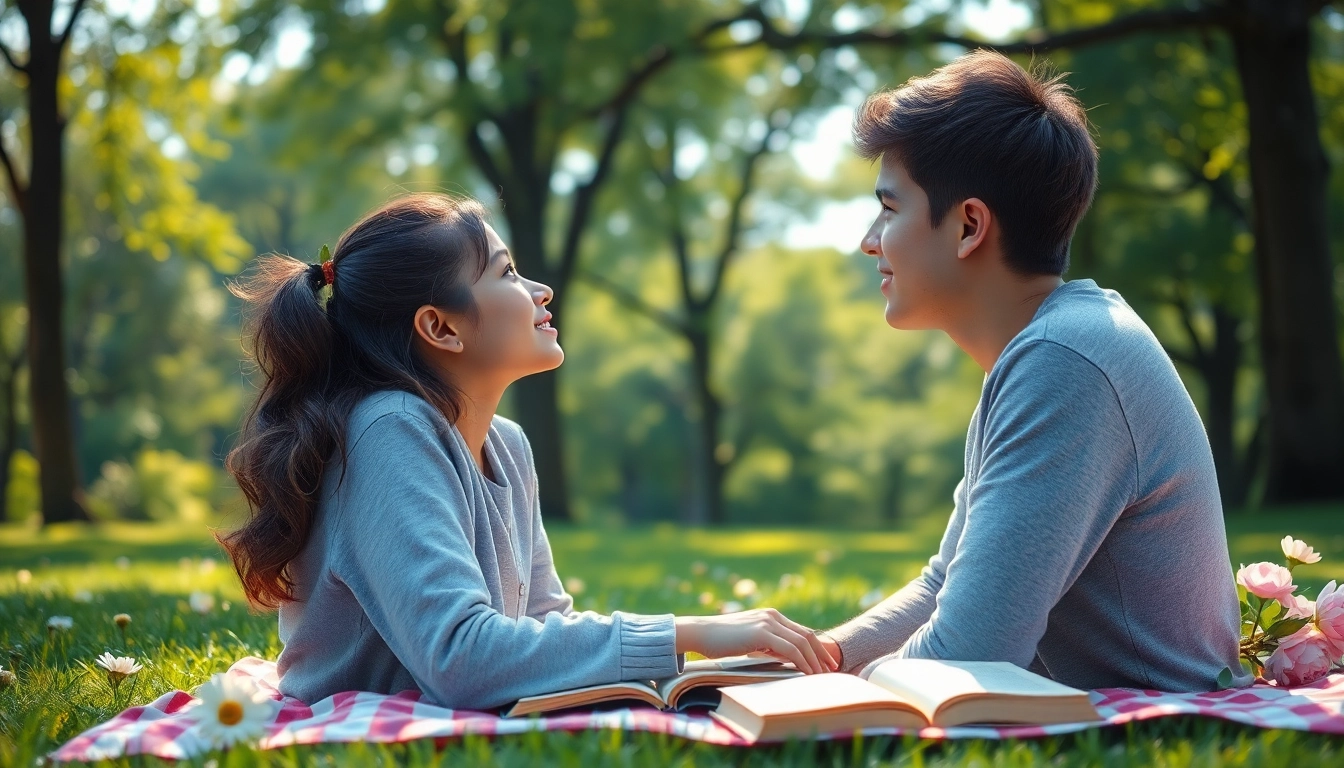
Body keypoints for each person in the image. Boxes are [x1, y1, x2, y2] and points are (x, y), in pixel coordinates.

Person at [220, 194, 837, 710]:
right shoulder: (388, 429)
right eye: (507, 273)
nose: (540, 290)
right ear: (440, 327)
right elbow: (461, 659)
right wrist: (688, 633)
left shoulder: (507, 444)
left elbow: (540, 624)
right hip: (363, 731)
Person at [812, 50, 1250, 692]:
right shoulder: (1048, 347)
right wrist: (815, 657)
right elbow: (944, 587)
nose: (869, 239)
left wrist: (829, 694)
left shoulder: (1064, 361)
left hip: (1146, 721)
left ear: (969, 225)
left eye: (890, 208)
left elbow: (970, 654)